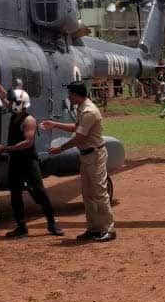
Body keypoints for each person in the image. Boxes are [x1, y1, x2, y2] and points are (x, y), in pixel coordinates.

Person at [40, 82, 116, 242]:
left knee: (100, 193)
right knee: (87, 194)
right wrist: (55, 124)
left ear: (77, 94)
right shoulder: (82, 108)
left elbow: (79, 137)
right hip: (86, 156)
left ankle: (109, 229)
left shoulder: (89, 111)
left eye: (70, 94)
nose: (68, 97)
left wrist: (59, 149)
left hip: (95, 155)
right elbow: (76, 127)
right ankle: (94, 228)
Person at [0, 89, 64, 238]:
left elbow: (27, 143)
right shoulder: (15, 114)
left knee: (39, 192)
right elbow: (4, 95)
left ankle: (52, 223)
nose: (9, 104)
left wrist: (5, 148)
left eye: (12, 102)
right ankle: (21, 226)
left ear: (20, 104)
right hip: (15, 161)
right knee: (15, 193)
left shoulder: (28, 120)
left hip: (28, 161)